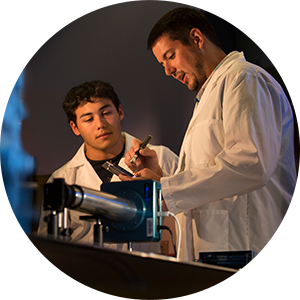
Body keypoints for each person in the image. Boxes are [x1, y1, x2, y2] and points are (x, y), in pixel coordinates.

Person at [120, 7, 298, 261]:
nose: (168, 71)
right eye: (162, 64)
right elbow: (209, 179)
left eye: (170, 56)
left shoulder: (244, 78)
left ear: (196, 38)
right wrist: (161, 176)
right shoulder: (209, 95)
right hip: (215, 252)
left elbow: (251, 163)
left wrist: (165, 189)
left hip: (247, 245)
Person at [38, 80, 178, 253]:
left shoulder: (162, 158)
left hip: (149, 272)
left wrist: (159, 178)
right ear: (75, 127)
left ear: (120, 112)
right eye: (88, 119)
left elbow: (190, 214)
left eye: (106, 113)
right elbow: (49, 250)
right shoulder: (63, 179)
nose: (100, 124)